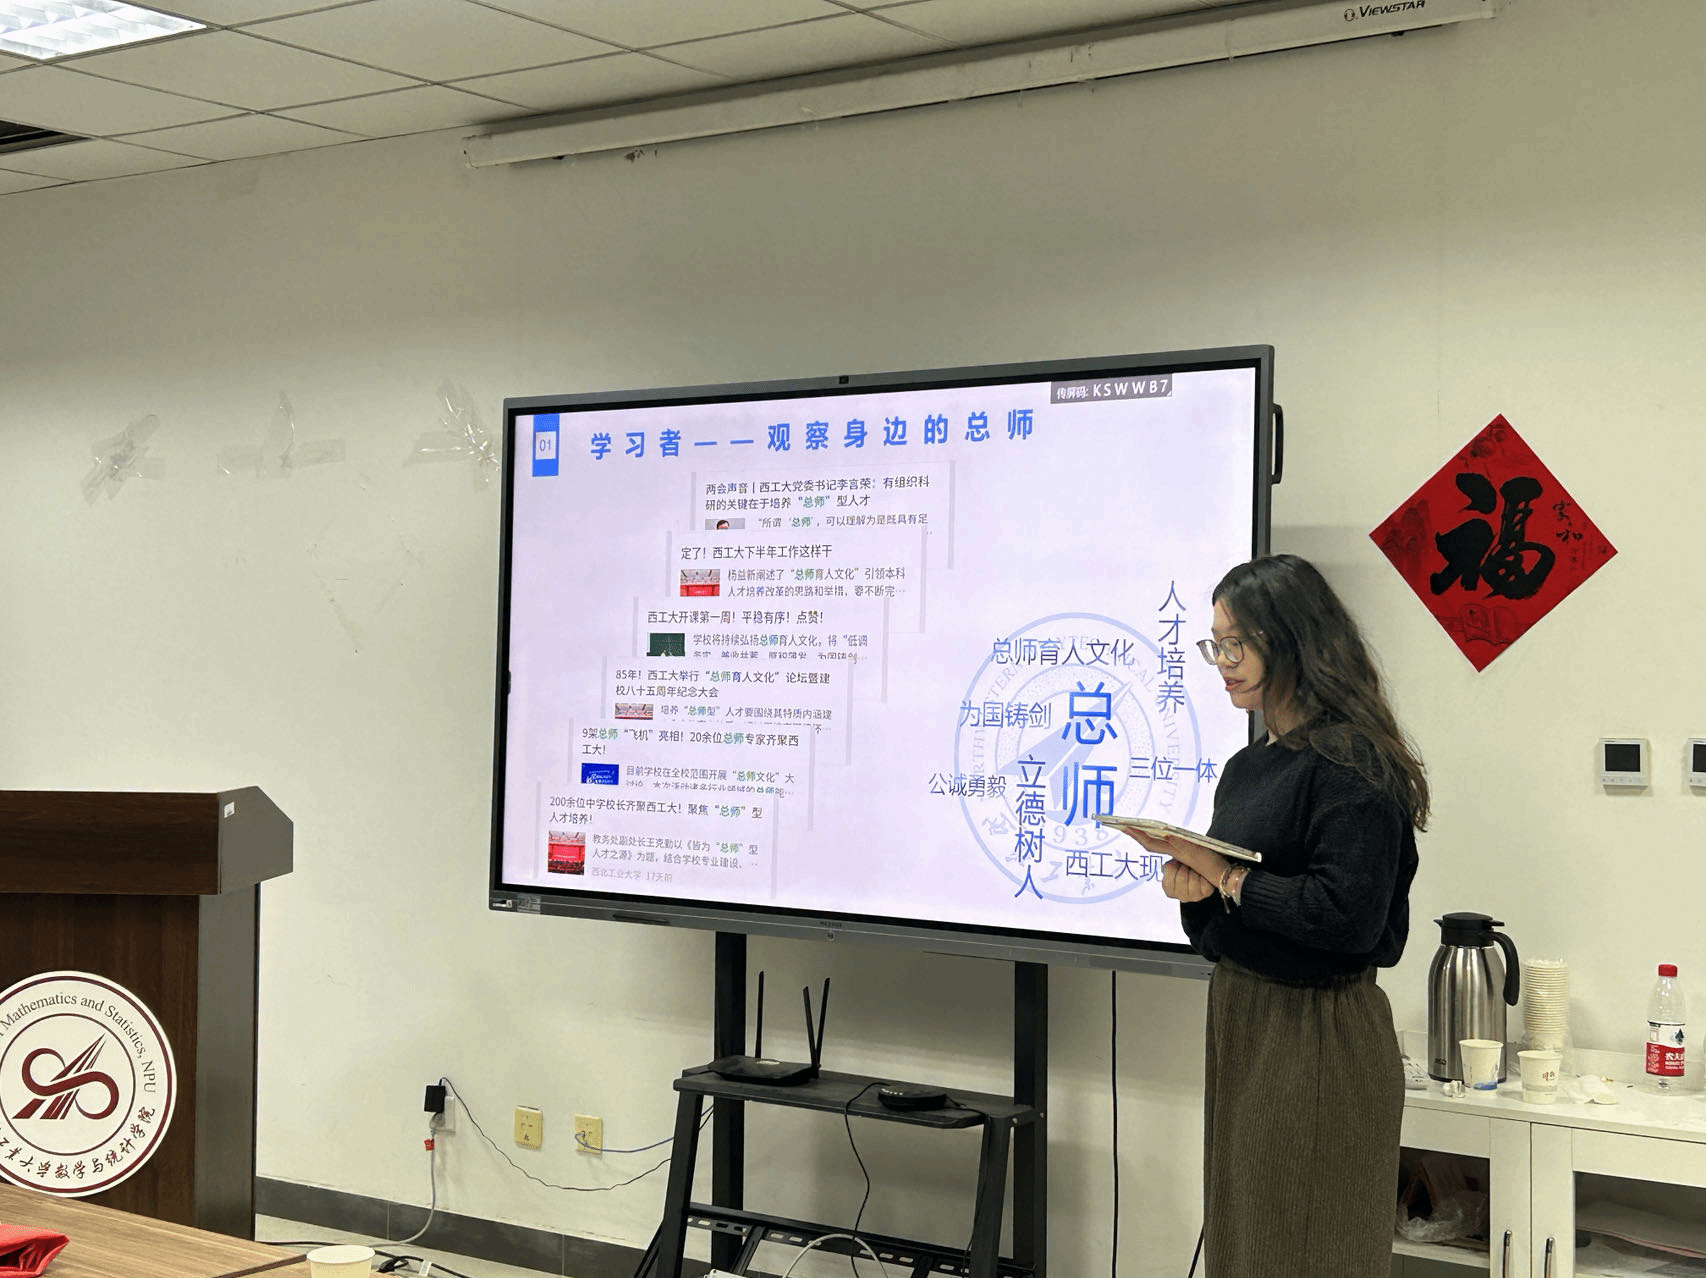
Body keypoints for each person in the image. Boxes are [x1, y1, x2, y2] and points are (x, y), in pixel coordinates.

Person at [1126, 554, 1427, 1276]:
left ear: (1293, 641)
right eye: (1215, 645)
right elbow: (1223, 930)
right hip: (1244, 1012)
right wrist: (1195, 891)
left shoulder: (1352, 761)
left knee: (1310, 1250)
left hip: (1319, 1029)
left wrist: (1227, 876)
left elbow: (1345, 918)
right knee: (1249, 1242)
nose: (1222, 663)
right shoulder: (1249, 766)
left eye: (1237, 644)